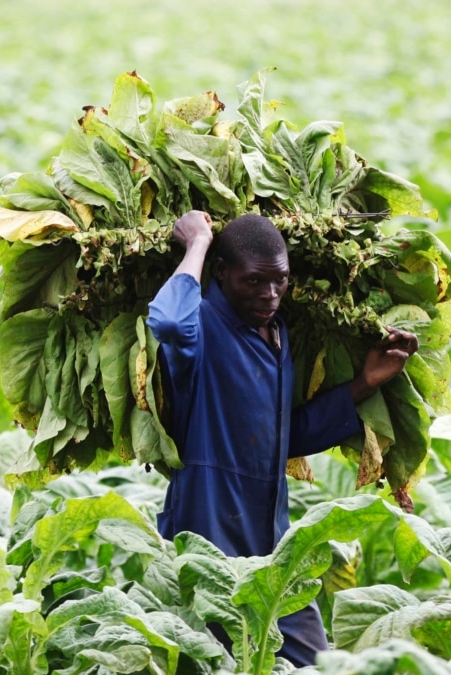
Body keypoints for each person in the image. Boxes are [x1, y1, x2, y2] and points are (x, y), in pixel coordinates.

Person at [146, 210, 419, 667]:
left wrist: (364, 384)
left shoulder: (276, 334)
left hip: (272, 532)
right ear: (222, 273)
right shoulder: (204, 327)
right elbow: (169, 322)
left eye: (280, 282)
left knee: (312, 658)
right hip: (207, 524)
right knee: (217, 661)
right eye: (254, 282)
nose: (269, 295)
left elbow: (280, 438)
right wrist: (197, 242)